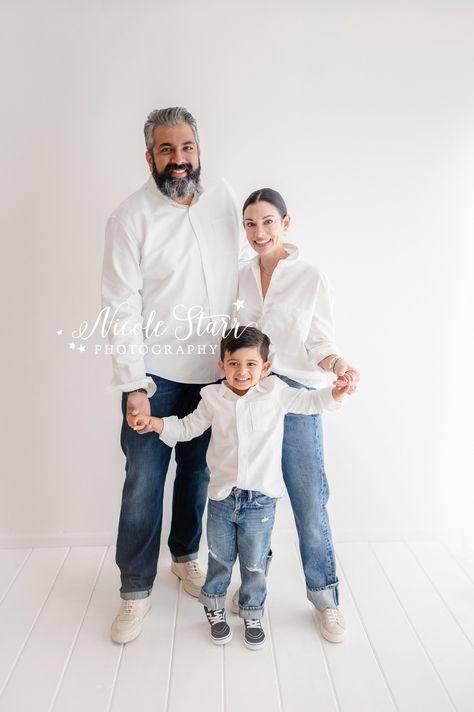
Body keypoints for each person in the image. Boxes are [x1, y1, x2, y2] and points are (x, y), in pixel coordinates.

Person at [101, 107, 240, 644]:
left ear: (198, 151)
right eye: (166, 150)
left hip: (215, 376)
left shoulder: (225, 200)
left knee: (200, 475)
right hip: (154, 378)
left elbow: (245, 270)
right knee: (143, 484)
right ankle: (134, 591)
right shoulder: (130, 217)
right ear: (150, 157)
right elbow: (120, 306)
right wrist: (132, 384)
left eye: (186, 148)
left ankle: (185, 558)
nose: (178, 159)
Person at [129, 327, 350, 650]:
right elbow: (188, 427)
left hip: (260, 501)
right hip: (221, 498)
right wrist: (157, 424)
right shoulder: (213, 398)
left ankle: (252, 610)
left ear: (265, 367)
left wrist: (336, 393)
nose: (242, 372)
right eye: (233, 364)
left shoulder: (276, 392)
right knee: (219, 558)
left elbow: (310, 402)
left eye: (250, 364)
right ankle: (214, 607)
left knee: (254, 562)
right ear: (222, 366)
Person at [236, 188, 360, 643]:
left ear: (286, 224)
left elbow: (320, 344)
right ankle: (253, 584)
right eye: (250, 224)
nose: (259, 232)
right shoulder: (241, 277)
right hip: (251, 400)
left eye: (268, 222)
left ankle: (325, 599)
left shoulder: (310, 277)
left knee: (310, 502)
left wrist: (339, 367)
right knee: (253, 499)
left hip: (297, 396)